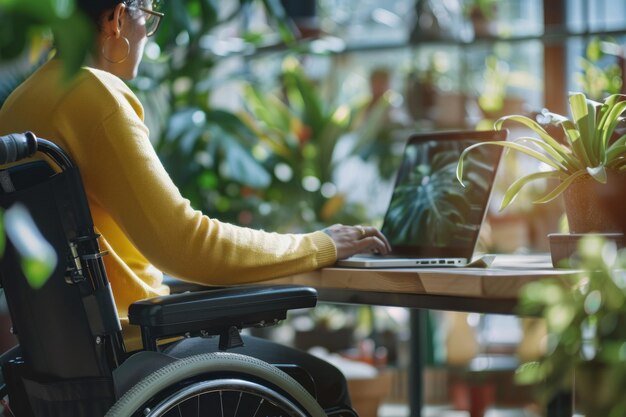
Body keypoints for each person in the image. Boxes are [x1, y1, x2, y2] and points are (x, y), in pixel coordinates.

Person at [0, 0, 391, 411]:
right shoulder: (95, 94)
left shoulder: (18, 106)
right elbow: (188, 244)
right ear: (116, 19)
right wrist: (320, 244)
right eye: (147, 18)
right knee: (325, 383)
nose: (146, 36)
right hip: (137, 360)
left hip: (62, 373)